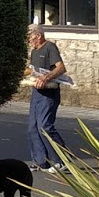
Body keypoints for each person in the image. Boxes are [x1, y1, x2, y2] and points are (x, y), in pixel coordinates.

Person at [27, 23, 68, 171]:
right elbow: (33, 71)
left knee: (45, 126)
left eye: (30, 37)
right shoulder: (34, 51)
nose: (29, 41)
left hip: (49, 94)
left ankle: (62, 161)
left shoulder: (50, 47)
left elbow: (61, 68)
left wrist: (46, 77)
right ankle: (40, 161)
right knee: (32, 127)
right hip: (37, 93)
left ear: (38, 35)